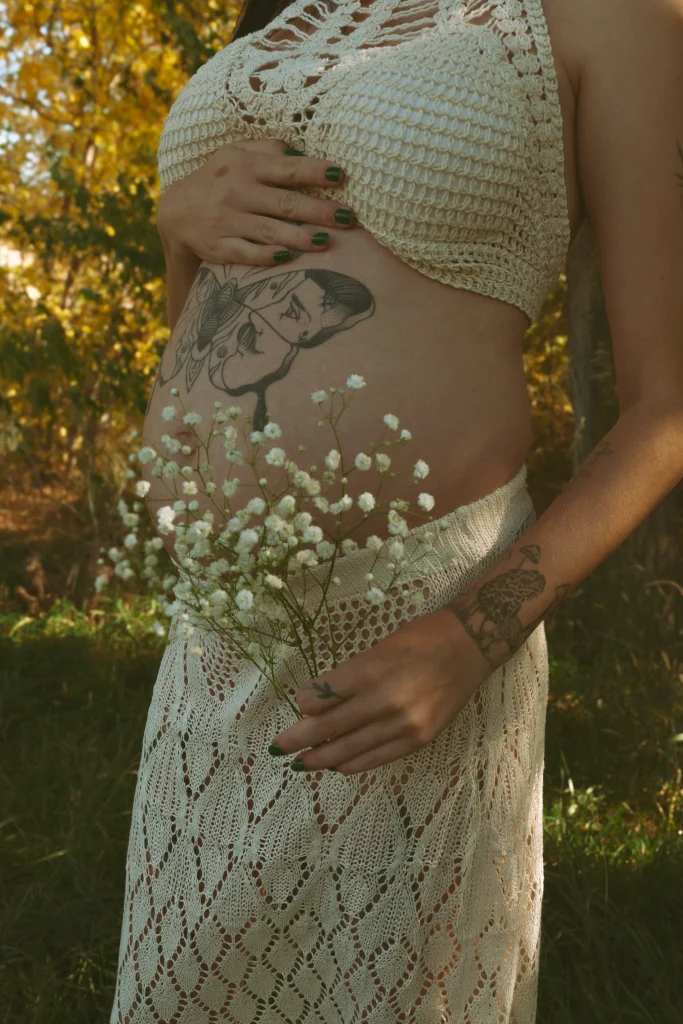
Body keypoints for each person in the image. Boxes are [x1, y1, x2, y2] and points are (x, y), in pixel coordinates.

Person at [110, 0, 683, 1021]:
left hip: (423, 623)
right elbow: (213, 321)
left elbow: (666, 404)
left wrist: (471, 634)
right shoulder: (284, 16)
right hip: (214, 633)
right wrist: (175, 228)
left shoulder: (612, 16)